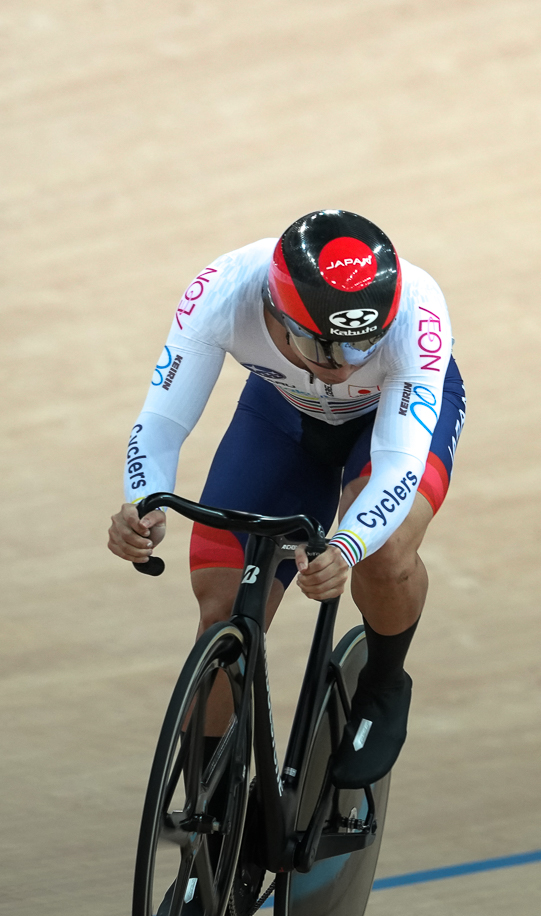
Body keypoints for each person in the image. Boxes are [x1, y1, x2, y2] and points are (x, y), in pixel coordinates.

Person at [106, 208, 465, 794]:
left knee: (385, 552)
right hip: (283, 415)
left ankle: (384, 677)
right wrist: (142, 503)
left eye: (361, 347)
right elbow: (163, 420)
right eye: (325, 349)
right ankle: (209, 822)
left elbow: (398, 466)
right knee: (222, 611)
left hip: (389, 420)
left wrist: (348, 546)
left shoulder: (418, 313)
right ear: (277, 315)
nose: (343, 368)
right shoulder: (224, 291)